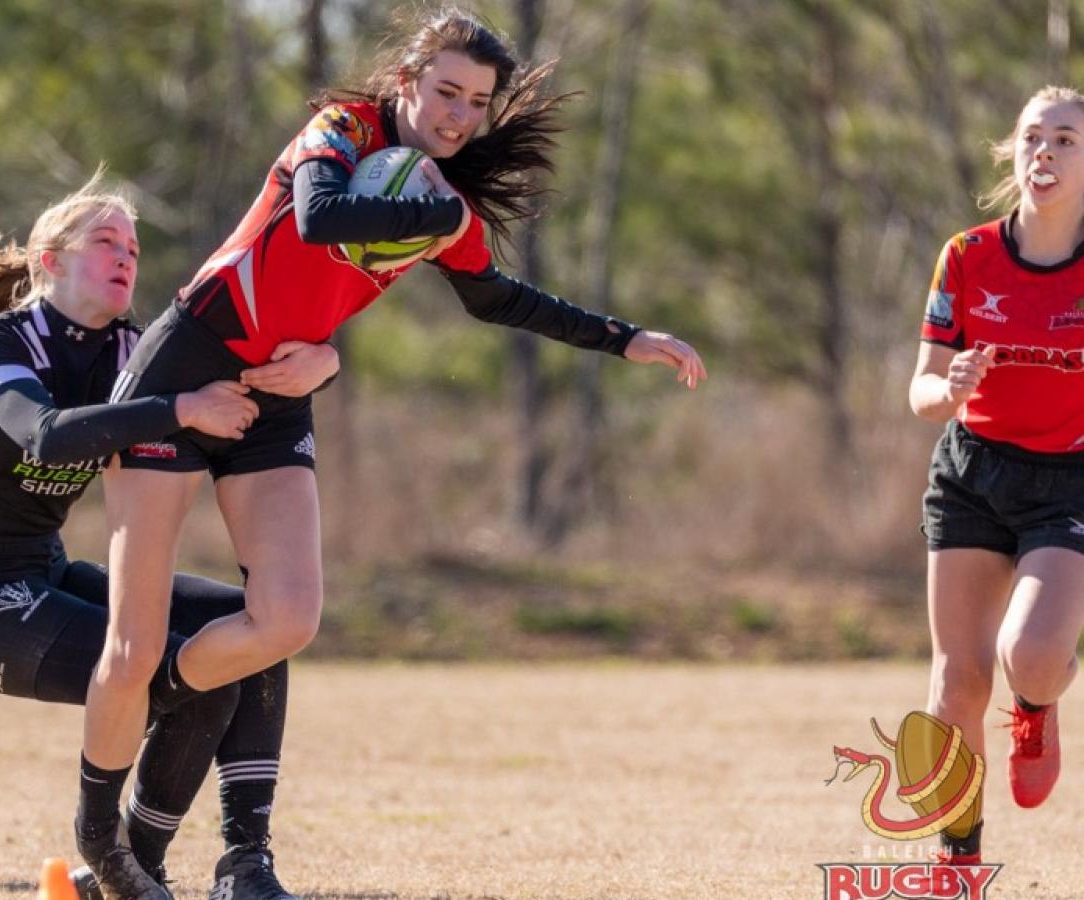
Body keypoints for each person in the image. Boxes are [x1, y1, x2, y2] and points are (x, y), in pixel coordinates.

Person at [76, 10, 707, 890]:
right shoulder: (343, 132)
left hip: (281, 392)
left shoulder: (437, 196)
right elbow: (321, 214)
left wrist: (626, 338)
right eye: (445, 90)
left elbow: (494, 300)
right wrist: (437, 215)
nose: (457, 115)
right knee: (130, 648)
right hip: (184, 369)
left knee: (288, 619)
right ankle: (102, 841)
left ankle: (165, 721)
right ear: (407, 79)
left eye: (476, 103)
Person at [0, 173, 335, 900]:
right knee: (190, 673)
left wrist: (325, 363)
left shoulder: (134, 351)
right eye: (105, 241)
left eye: (133, 248)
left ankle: (242, 862)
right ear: (49, 260)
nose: (125, 257)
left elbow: (250, 379)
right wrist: (179, 408)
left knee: (255, 631)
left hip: (46, 570)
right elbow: (43, 437)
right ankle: (120, 858)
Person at [913, 85, 1084, 867]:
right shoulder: (968, 255)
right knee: (956, 683)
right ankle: (957, 859)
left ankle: (1037, 706)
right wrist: (947, 389)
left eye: (1066, 141)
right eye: (1032, 137)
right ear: (1012, 151)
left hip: (1069, 478)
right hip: (973, 471)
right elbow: (921, 387)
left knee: (1035, 653)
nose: (1043, 152)